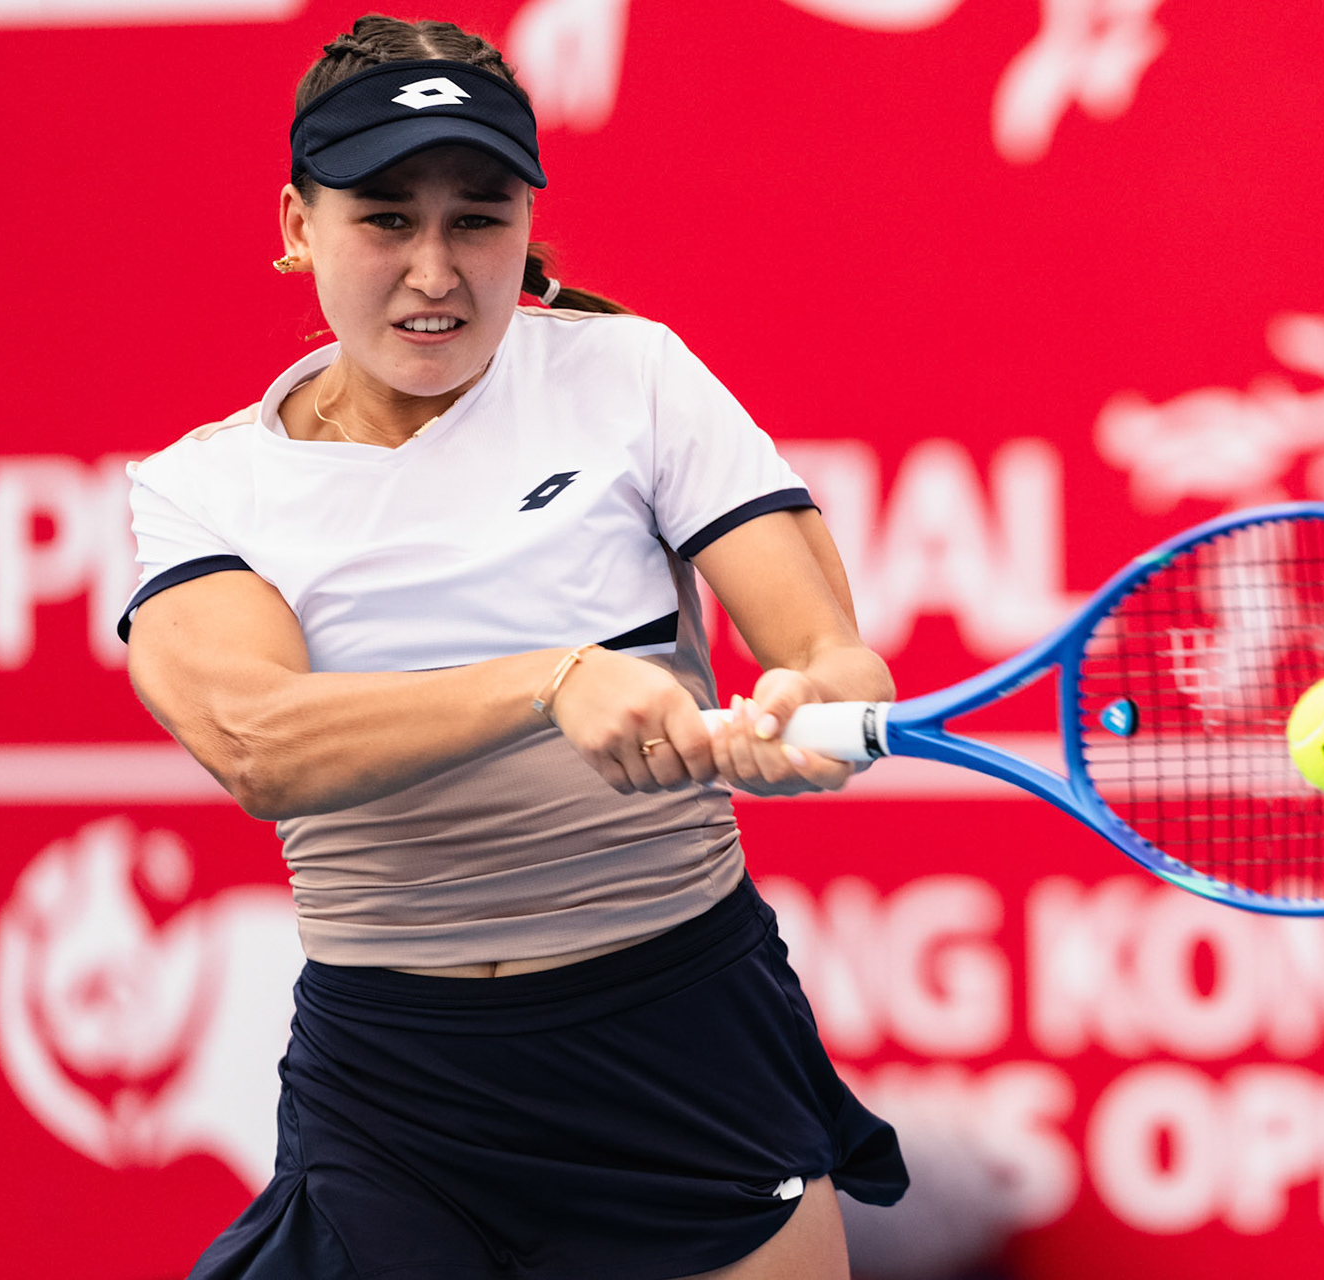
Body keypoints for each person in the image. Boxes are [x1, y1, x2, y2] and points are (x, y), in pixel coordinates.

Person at [120, 15, 908, 1279]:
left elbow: (829, 648)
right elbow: (258, 741)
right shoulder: (204, 488)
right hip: (398, 1092)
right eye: (386, 218)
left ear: (525, 229)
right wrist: (552, 680)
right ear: (294, 227)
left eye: (478, 219)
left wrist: (809, 702)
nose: (435, 268)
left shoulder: (634, 375)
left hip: (679, 1039)